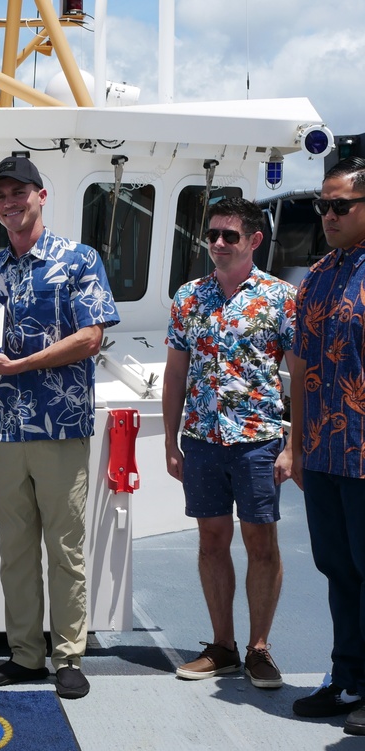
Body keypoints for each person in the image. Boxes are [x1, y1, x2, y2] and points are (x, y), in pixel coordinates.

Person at [0, 156, 119, 700]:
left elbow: (91, 337)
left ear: (41, 195)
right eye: (0, 195)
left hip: (59, 426)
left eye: (18, 192)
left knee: (65, 545)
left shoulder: (79, 260)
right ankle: (26, 654)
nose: (10, 202)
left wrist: (18, 366)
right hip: (5, 429)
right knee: (14, 548)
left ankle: (69, 655)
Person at [162, 197, 295, 689]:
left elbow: (298, 375)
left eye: (229, 236)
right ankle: (223, 646)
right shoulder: (188, 297)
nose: (217, 244)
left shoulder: (281, 298)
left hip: (258, 441)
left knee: (262, 543)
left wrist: (291, 446)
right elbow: (176, 374)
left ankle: (259, 649)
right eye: (212, 235)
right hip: (201, 439)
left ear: (254, 240)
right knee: (211, 540)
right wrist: (172, 442)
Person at [289, 156, 365, 734]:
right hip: (322, 451)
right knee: (338, 569)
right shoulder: (316, 276)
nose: (328, 215)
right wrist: (295, 444)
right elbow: (298, 366)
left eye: (341, 205)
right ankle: (346, 679)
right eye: (323, 205)